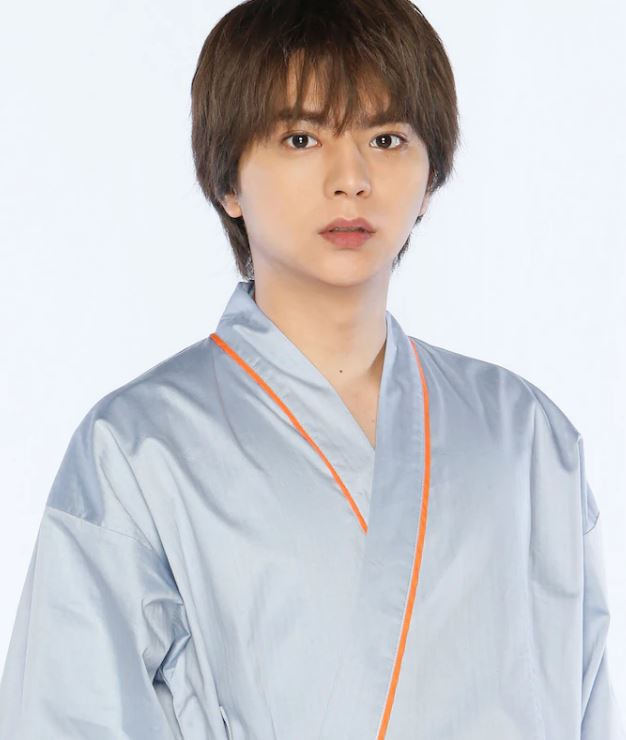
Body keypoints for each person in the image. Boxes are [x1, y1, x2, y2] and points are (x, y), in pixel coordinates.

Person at [1, 0, 623, 738]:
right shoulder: (136, 452)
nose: (351, 178)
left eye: (387, 138)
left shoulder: (529, 439)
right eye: (301, 138)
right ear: (228, 182)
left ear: (430, 176)